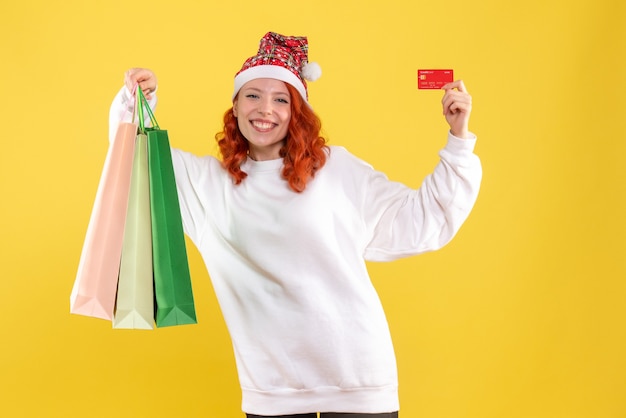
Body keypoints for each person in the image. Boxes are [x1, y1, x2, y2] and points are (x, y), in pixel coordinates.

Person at [109, 32, 481, 418]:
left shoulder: (336, 170)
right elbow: (135, 163)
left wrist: (458, 139)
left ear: (297, 111)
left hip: (358, 380)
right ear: (235, 107)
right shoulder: (208, 185)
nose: (265, 109)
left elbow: (423, 220)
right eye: (252, 95)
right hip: (272, 388)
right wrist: (137, 102)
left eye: (281, 99)